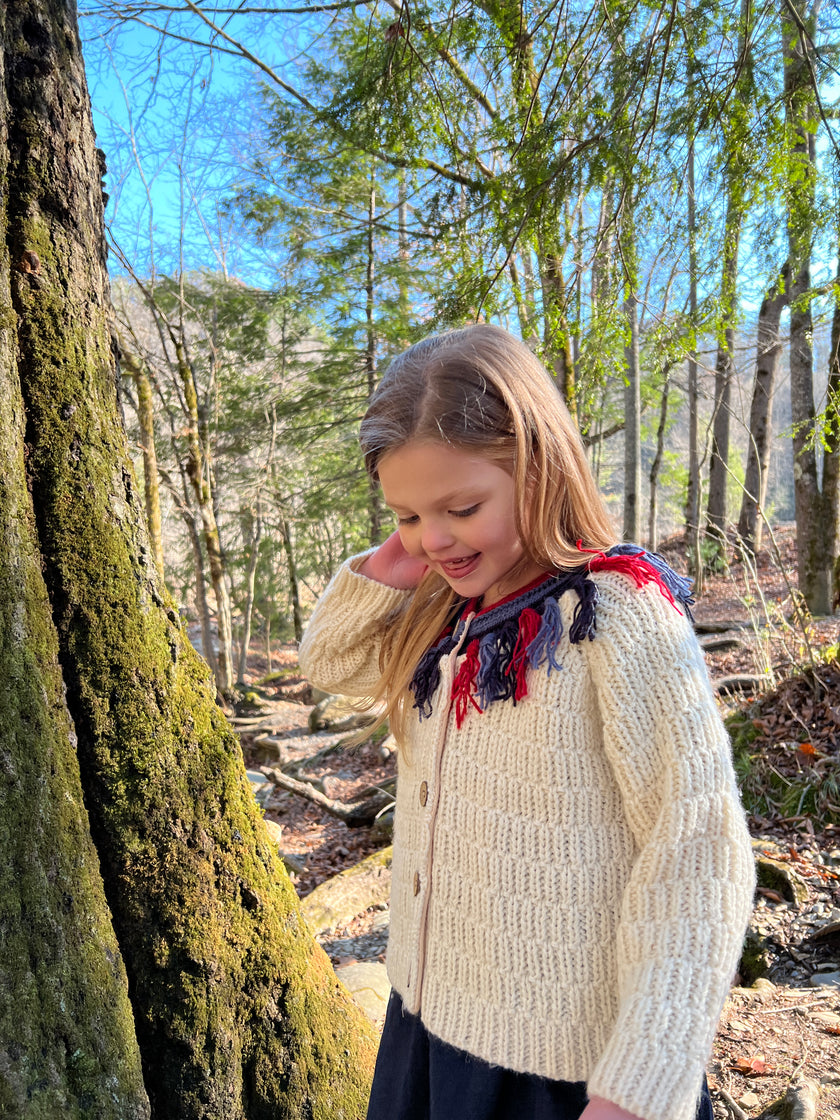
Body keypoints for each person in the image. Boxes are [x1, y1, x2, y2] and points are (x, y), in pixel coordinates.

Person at [298, 324, 755, 1120]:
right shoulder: (444, 615)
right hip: (430, 1035)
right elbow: (331, 664)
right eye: (406, 515)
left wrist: (639, 1089)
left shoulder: (611, 611)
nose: (433, 537)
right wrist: (398, 559)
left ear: (538, 466)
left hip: (563, 1068)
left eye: (461, 506)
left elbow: (698, 851)